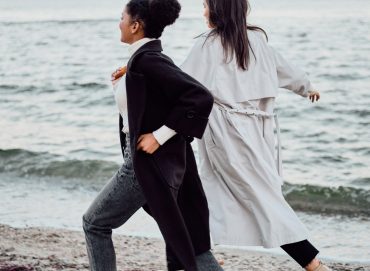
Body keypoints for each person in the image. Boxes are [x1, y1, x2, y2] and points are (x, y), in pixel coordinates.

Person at [178, 0, 331, 270]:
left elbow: (179, 81)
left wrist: (142, 77)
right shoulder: (254, 39)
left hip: (227, 133)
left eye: (205, 5)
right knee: (219, 192)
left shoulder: (212, 44)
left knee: (259, 196)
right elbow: (286, 70)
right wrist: (306, 87)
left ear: (218, 9)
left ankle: (311, 262)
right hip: (256, 131)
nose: (202, 12)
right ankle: (201, 252)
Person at [82, 0, 224, 270]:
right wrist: (127, 79)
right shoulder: (142, 60)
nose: (119, 23)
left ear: (135, 26)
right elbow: (159, 99)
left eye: (122, 17)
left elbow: (200, 97)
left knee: (94, 224)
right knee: (191, 244)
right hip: (163, 165)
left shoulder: (147, 60)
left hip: (144, 167)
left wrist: (159, 135)